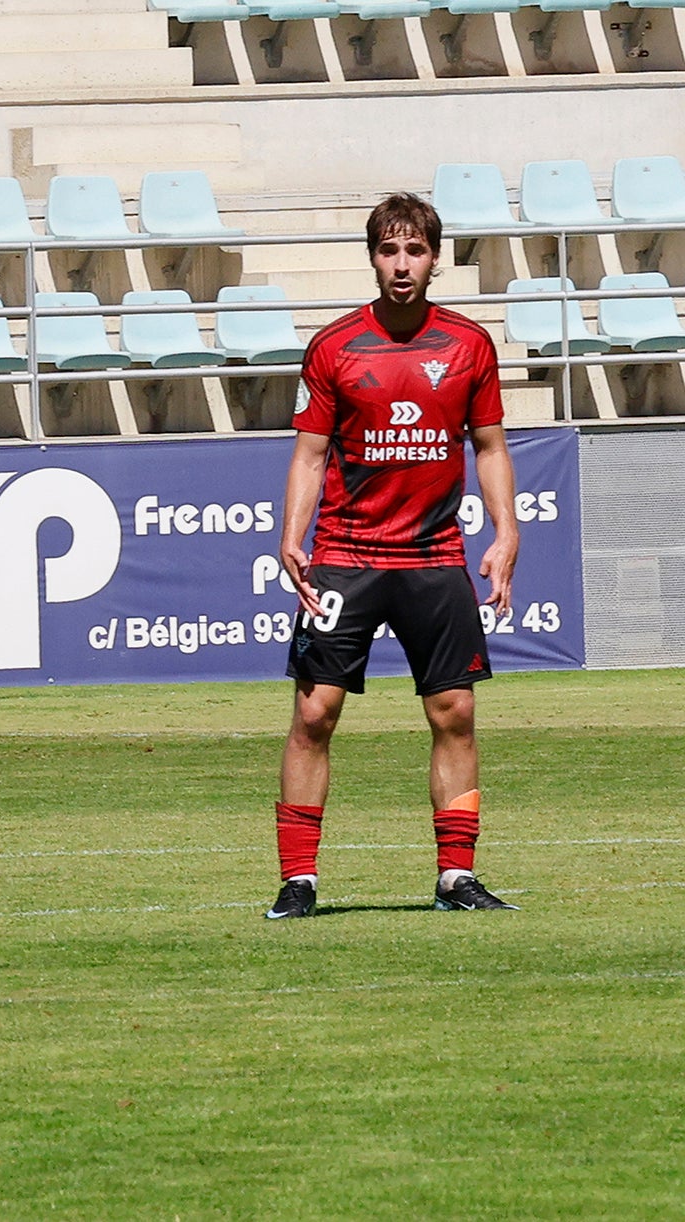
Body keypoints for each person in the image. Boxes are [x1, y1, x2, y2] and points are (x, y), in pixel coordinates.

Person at [268, 191, 521, 921]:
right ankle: (299, 882)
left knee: (455, 712)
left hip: (434, 556)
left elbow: (491, 447)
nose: (401, 264)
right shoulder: (337, 346)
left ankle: (456, 878)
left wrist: (506, 532)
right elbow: (310, 454)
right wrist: (294, 533)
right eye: (389, 250)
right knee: (314, 712)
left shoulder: (468, 345)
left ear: (434, 259)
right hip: (346, 555)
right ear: (373, 257)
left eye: (414, 251)